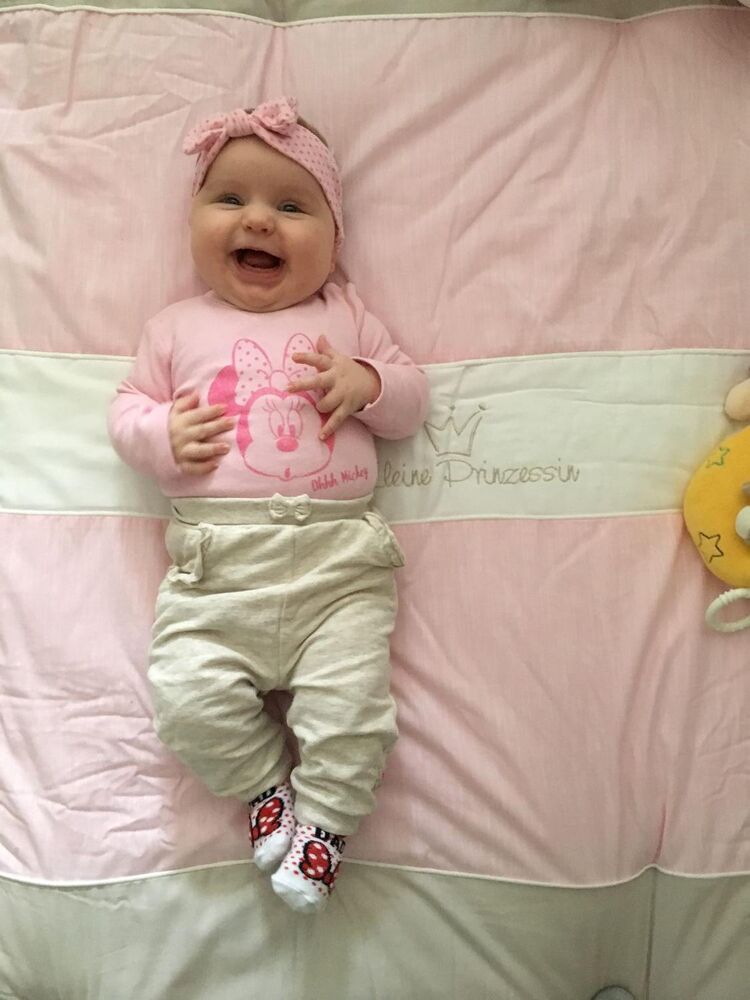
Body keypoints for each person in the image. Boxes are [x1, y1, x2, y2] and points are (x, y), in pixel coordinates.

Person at [108, 97, 429, 913]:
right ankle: (262, 786)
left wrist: (367, 382)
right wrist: (160, 433)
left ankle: (325, 825)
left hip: (338, 569)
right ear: (192, 223)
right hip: (215, 574)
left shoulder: (345, 315)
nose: (258, 220)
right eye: (231, 199)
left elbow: (412, 400)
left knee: (354, 713)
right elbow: (125, 410)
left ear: (334, 239)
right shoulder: (174, 327)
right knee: (185, 701)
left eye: (292, 206)